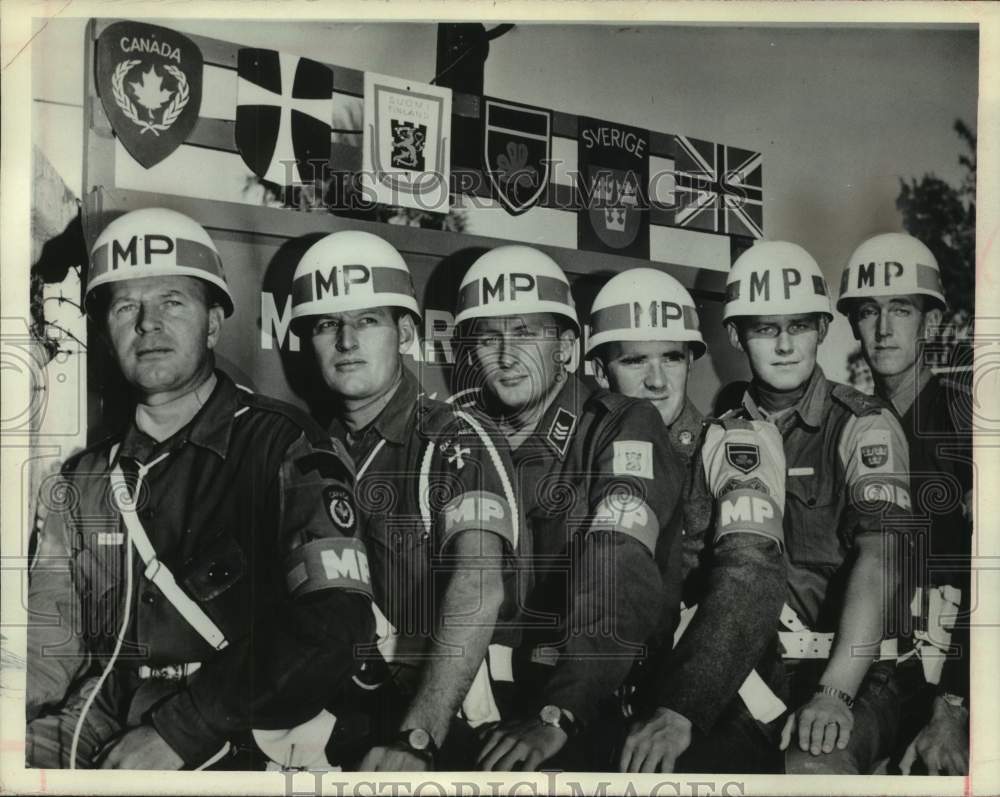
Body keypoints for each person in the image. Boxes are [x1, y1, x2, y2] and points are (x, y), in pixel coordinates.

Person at [26, 208, 374, 770]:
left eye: (172, 302)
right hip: (98, 718)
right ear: (104, 331)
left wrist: (181, 731)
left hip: (235, 731)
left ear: (213, 323)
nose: (147, 324)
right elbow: (51, 634)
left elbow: (334, 625)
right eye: (125, 307)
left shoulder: (280, 444)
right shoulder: (84, 478)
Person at [288, 230, 519, 771]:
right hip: (335, 715)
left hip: (447, 716)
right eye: (327, 324)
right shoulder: (303, 451)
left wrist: (418, 737)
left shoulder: (454, 436)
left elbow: (478, 585)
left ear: (407, 332)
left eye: (367, 320)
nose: (346, 341)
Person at [450, 246, 686, 771]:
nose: (508, 356)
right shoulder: (462, 439)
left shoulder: (620, 425)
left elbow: (618, 563)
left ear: (566, 346)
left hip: (586, 703)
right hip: (477, 704)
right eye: (490, 338)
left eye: (527, 333)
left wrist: (562, 710)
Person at [584, 268, 789, 774]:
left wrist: (681, 709)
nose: (658, 381)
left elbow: (750, 572)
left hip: (713, 701)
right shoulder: (580, 453)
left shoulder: (735, 440)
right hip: (604, 694)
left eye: (672, 357)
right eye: (635, 360)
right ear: (599, 369)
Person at [721, 241, 912, 774]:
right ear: (736, 335)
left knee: (811, 769)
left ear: (822, 329)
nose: (785, 345)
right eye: (764, 328)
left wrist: (834, 692)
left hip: (853, 671)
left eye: (799, 326)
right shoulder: (724, 432)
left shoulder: (862, 425)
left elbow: (882, 560)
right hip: (753, 671)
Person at [837, 232, 971, 776]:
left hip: (954, 667)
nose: (884, 328)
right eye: (869, 312)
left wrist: (956, 704)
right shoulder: (845, 424)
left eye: (902, 310)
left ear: (931, 324)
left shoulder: (967, 420)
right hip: (875, 665)